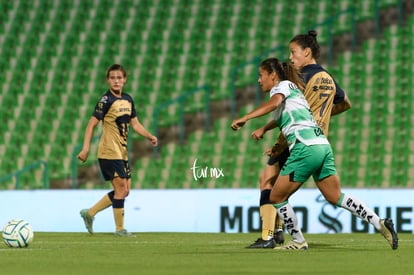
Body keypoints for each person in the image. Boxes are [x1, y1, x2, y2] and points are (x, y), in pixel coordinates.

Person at [231, 58, 398, 250]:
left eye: (261, 75)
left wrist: (245, 117)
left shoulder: (280, 88)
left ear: (273, 75)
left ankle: (298, 241)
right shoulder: (295, 90)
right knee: (336, 196)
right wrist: (264, 129)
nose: (259, 80)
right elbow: (285, 115)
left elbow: (274, 104)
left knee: (276, 197)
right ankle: (380, 222)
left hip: (305, 147)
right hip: (322, 144)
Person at [246, 30, 352, 249]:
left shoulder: (299, 77)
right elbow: (345, 102)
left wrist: (273, 136)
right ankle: (274, 233)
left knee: (269, 180)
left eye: (293, 52)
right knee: (273, 182)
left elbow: (288, 109)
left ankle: (270, 235)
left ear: (307, 51)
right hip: (314, 137)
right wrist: (321, 117)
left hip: (297, 138)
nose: (291, 58)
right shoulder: (324, 75)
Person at [77, 64, 158, 236]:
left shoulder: (128, 99)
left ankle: (89, 213)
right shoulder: (105, 101)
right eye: (112, 78)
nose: (116, 81)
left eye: (119, 78)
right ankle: (120, 229)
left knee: (125, 191)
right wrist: (85, 149)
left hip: (121, 153)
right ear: (108, 80)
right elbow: (91, 125)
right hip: (108, 151)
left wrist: (149, 136)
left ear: (124, 80)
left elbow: (135, 124)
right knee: (121, 189)